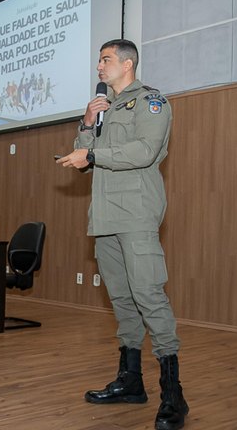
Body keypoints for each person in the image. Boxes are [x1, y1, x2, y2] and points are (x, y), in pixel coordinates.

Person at [56, 39, 188, 430]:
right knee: (123, 301)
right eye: (99, 60)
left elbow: (144, 151)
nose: (99, 66)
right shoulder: (106, 107)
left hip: (136, 215)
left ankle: (173, 396)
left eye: (106, 59)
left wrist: (93, 154)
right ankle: (131, 382)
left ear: (127, 64)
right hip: (106, 218)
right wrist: (86, 124)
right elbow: (85, 162)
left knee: (149, 296)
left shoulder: (151, 102)